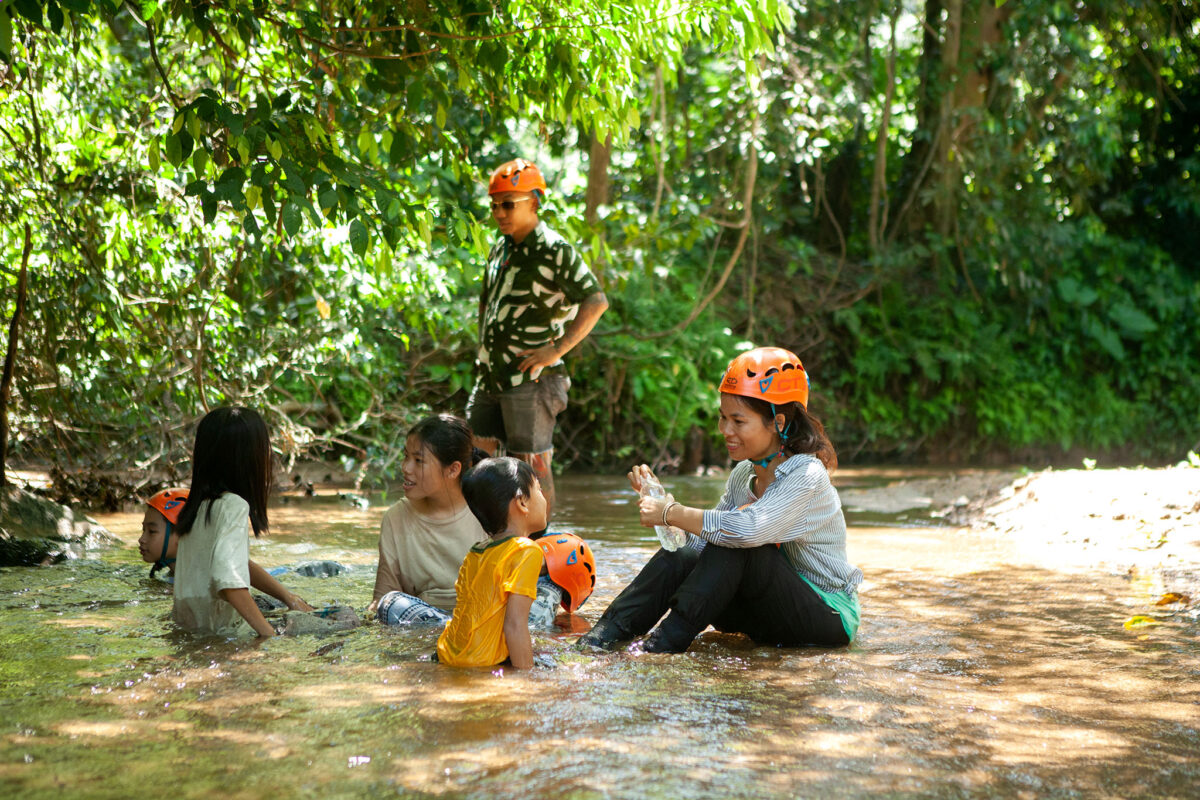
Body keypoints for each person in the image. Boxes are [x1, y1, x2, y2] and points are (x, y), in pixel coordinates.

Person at [576, 347, 862, 654]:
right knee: (684, 554)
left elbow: (747, 531)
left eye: (738, 421)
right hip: (767, 612)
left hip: (826, 616)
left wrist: (671, 512)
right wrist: (663, 506)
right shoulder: (743, 475)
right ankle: (599, 641)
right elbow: (700, 547)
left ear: (778, 422)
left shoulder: (807, 474)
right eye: (722, 418)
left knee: (738, 543)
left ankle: (658, 649)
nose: (725, 430)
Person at [466, 157, 609, 524]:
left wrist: (556, 350)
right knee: (475, 461)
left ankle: (542, 547)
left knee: (530, 469)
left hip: (533, 379)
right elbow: (487, 302)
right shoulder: (500, 249)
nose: (499, 213)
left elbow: (596, 301)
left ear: (533, 202)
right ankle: (489, 540)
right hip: (491, 376)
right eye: (494, 205)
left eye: (507, 204)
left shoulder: (555, 249)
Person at [171, 406, 281, 639]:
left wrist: (289, 599)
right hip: (222, 638)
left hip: (186, 635)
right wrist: (269, 635)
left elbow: (232, 563)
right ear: (249, 459)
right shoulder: (233, 506)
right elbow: (229, 582)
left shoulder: (198, 507)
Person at [368, 414, 489, 625]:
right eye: (406, 457)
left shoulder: (488, 509)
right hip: (426, 620)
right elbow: (383, 600)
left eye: (418, 461)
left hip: (482, 618)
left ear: (453, 469)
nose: (406, 468)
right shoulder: (396, 518)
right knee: (390, 604)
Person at [436, 457, 547, 669]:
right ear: (522, 502)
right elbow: (515, 625)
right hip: (484, 662)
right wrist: (528, 679)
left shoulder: (476, 551)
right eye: (539, 489)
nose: (543, 497)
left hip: (448, 654)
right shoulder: (526, 550)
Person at [139, 487, 312, 613]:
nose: (141, 539)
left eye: (151, 531)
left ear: (183, 534)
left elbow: (241, 565)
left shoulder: (208, 564)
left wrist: (290, 599)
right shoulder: (167, 577)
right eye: (143, 530)